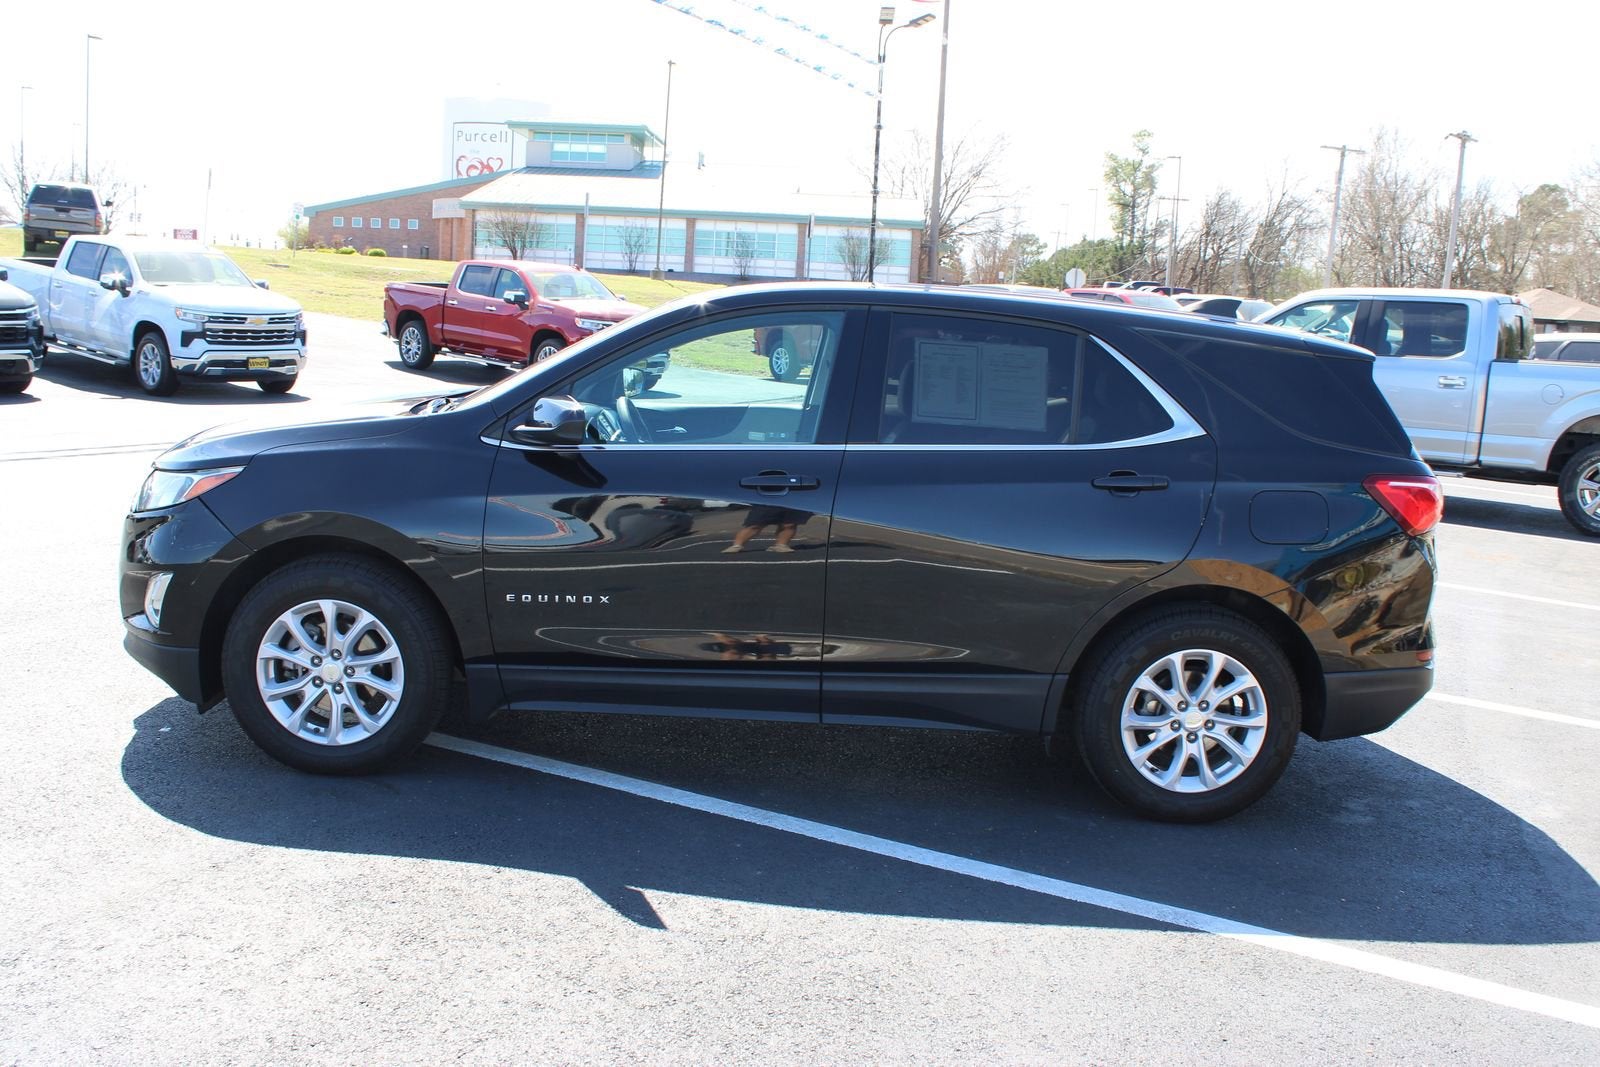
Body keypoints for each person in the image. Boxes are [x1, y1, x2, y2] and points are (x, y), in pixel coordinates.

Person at [722, 505, 805, 553]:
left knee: (789, 523)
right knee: (756, 523)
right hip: (768, 495)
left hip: (794, 494)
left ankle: (781, 545)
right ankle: (737, 546)